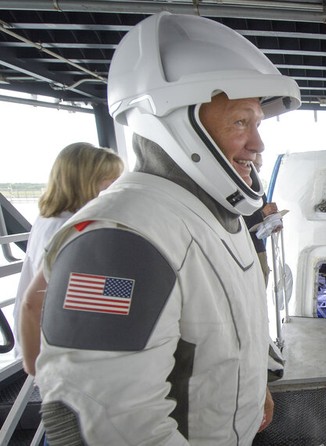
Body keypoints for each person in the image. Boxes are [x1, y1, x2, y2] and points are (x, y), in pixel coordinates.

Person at [33, 11, 301, 445]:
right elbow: (99, 422)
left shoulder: (211, 216)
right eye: (240, 122)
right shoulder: (119, 240)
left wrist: (254, 390)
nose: (258, 144)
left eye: (256, 123)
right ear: (174, 123)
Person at [15, 142, 123, 372]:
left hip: (42, 339)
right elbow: (36, 302)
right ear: (83, 181)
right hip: (55, 348)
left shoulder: (48, 219)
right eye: (109, 181)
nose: (116, 188)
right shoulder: (71, 230)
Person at [243, 153, 279, 279]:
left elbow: (262, 217)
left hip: (258, 246)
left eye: (259, 166)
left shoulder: (258, 189)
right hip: (245, 249)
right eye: (255, 165)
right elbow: (237, 220)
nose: (257, 170)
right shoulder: (238, 187)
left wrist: (273, 222)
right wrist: (262, 213)